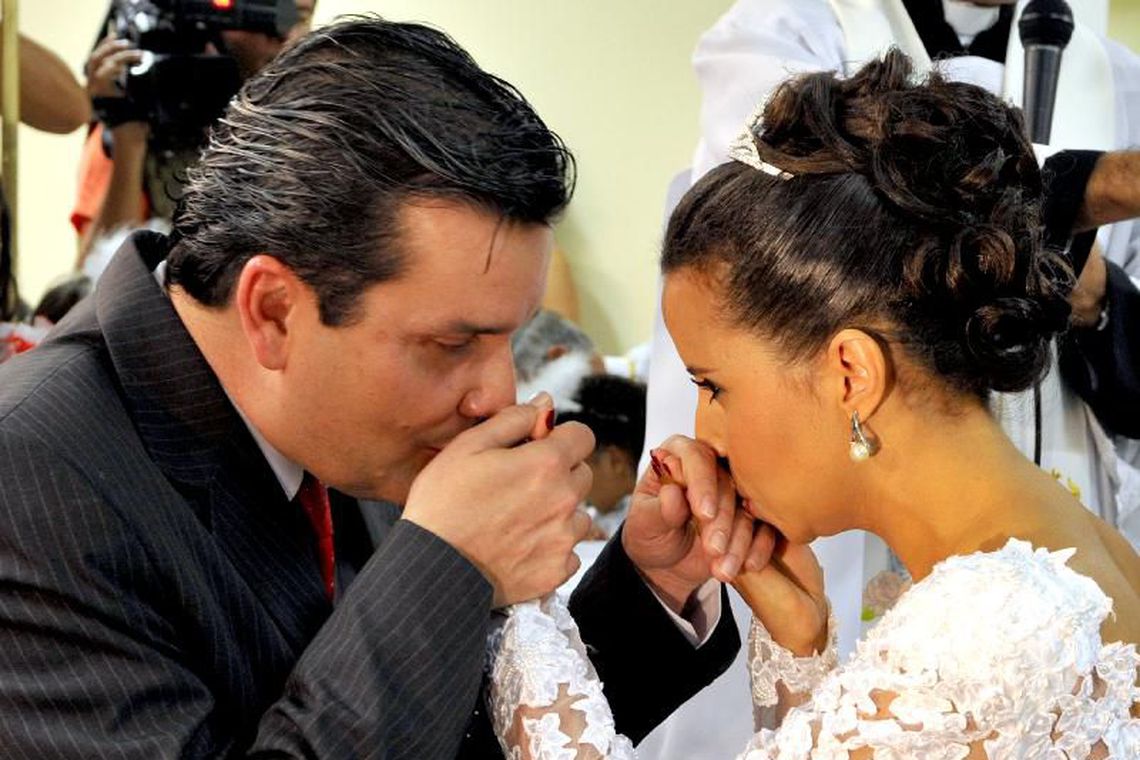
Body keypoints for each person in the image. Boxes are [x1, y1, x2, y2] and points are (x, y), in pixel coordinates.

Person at [0, 17, 764, 758]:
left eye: (512, 338)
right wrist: (447, 565)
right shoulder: (29, 483)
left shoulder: (352, 421)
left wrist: (653, 586)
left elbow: (457, 727)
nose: (497, 396)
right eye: (452, 344)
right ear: (273, 310)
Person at [486, 50, 1140, 759]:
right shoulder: (1071, 552)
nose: (704, 432)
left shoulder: (989, 633)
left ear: (851, 374)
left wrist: (519, 601)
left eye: (714, 386)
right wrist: (800, 654)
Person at [72, 0, 317, 263]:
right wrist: (128, 140)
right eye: (269, 13)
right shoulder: (143, 114)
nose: (286, 34)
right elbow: (100, 273)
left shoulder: (314, 116)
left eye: (301, 17)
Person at [560, 374, 648, 538]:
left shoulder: (648, 527)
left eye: (573, 467)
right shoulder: (599, 522)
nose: (568, 482)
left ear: (615, 461)